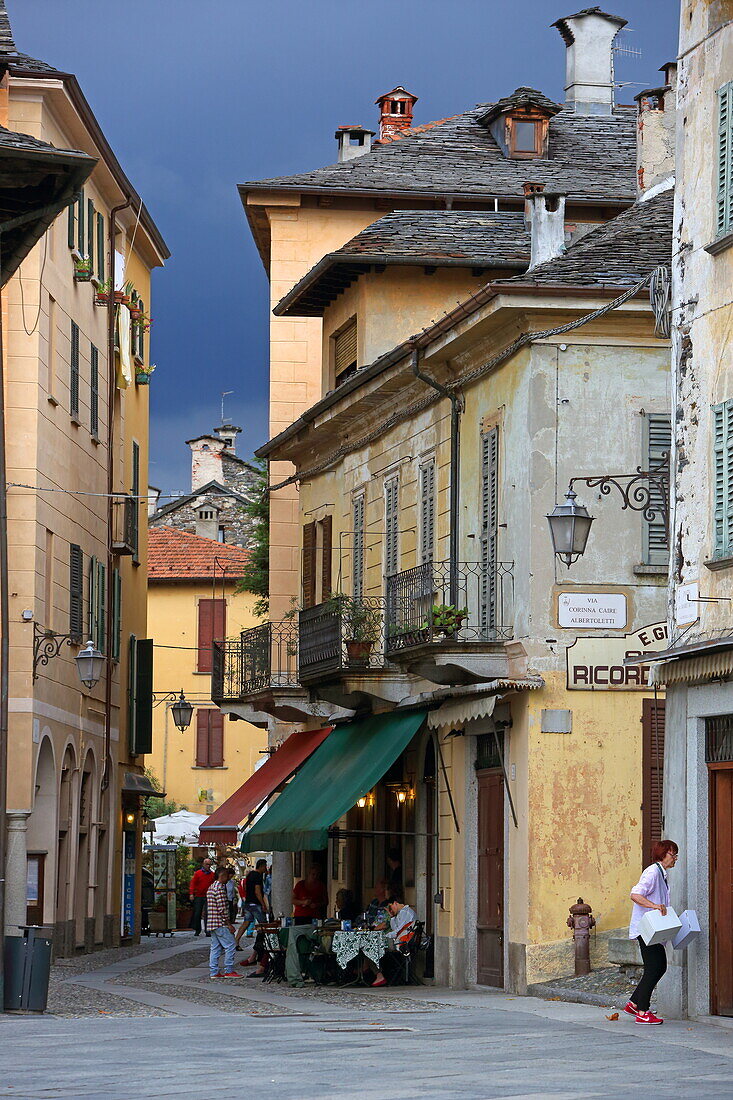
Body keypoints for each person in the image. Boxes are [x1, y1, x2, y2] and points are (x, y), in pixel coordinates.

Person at [625, 839, 679, 1024]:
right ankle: (642, 1012)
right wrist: (654, 906)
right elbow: (635, 894)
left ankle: (634, 1003)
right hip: (646, 929)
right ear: (663, 854)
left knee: (658, 967)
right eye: (673, 854)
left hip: (654, 930)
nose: (675, 859)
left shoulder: (661, 874)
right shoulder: (652, 872)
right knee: (654, 967)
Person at [371, 895, 417, 987]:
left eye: (391, 906)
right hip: (402, 941)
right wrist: (392, 917)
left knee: (372, 947)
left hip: (403, 943)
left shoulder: (405, 912)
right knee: (373, 947)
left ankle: (379, 974)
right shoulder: (401, 913)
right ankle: (378, 974)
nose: (390, 909)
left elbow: (397, 931)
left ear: (395, 903)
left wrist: (385, 935)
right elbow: (395, 928)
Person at [206, 867, 240, 980]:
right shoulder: (219, 889)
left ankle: (214, 971)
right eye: (226, 876)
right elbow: (222, 909)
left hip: (212, 922)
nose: (228, 878)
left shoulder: (211, 887)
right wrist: (229, 924)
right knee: (231, 945)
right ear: (222, 876)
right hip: (220, 923)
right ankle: (229, 970)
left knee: (215, 948)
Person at [235, 858, 268, 947]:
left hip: (248, 902)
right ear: (261, 866)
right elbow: (257, 891)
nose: (266, 868)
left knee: (246, 922)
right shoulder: (258, 876)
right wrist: (263, 904)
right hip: (255, 903)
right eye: (265, 866)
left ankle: (236, 941)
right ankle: (264, 944)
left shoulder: (250, 874)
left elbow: (246, 887)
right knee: (263, 924)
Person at [189, 857, 215, 937]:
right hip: (199, 895)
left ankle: (208, 930)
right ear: (203, 864)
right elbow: (193, 883)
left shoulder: (212, 874)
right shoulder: (198, 873)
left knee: (208, 913)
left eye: (209, 865)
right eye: (207, 864)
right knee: (197, 913)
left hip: (208, 896)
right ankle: (197, 929)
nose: (208, 866)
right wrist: (191, 893)